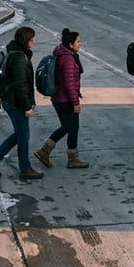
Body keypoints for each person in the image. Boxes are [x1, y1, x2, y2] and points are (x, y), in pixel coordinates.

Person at [0, 26, 44, 180]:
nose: (34, 41)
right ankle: (24, 168)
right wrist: (27, 106)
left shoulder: (16, 53)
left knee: (20, 134)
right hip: (15, 102)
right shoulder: (19, 57)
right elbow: (20, 84)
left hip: (11, 100)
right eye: (32, 39)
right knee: (23, 135)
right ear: (26, 40)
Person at [34, 28, 89, 169]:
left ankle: (44, 151)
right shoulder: (68, 59)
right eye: (78, 42)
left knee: (66, 127)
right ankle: (73, 159)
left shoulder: (62, 54)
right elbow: (69, 84)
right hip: (65, 100)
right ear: (70, 44)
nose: (80, 44)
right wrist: (75, 103)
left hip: (58, 99)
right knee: (73, 128)